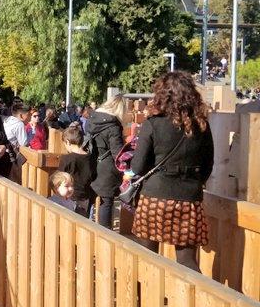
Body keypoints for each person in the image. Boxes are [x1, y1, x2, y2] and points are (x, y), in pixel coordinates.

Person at [129, 71, 214, 272]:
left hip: (155, 196)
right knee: (187, 262)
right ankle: (193, 302)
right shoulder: (201, 126)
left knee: (147, 259)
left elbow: (137, 167)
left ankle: (144, 302)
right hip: (189, 197)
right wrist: (191, 181)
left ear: (162, 94)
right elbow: (208, 166)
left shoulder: (153, 124)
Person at [88, 95, 127, 229]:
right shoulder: (113, 126)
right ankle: (105, 235)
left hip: (92, 161)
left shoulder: (92, 120)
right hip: (107, 167)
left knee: (92, 199)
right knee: (106, 201)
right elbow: (118, 153)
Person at [60, 124, 95, 218]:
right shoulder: (90, 158)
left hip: (69, 196)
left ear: (68, 142)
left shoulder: (67, 159)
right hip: (86, 195)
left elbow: (59, 178)